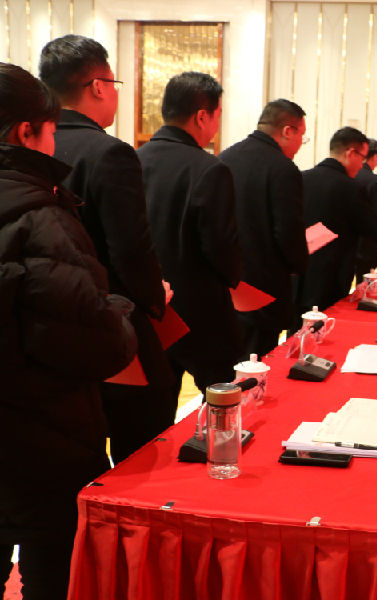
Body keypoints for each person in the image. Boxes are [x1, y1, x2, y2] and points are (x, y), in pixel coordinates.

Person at [0, 62, 137, 600]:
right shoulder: (41, 216)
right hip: (38, 435)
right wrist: (118, 309)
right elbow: (96, 343)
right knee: (54, 567)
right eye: (52, 131)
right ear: (26, 132)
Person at [39, 35, 173, 464]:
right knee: (144, 433)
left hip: (47, 321)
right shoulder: (109, 152)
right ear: (98, 86)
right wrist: (156, 300)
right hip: (110, 319)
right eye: (114, 84)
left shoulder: (33, 147)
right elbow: (131, 250)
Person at [137, 72, 242, 399]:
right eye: (218, 115)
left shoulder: (133, 160)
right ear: (202, 116)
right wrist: (235, 277)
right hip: (201, 312)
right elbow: (220, 246)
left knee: (154, 407)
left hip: (148, 305)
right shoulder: (209, 169)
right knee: (220, 400)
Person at [219, 99, 309, 356]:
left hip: (227, 284)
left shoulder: (225, 158)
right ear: (287, 131)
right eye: (302, 136)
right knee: (257, 360)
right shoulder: (283, 169)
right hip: (264, 288)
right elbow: (287, 232)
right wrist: (299, 264)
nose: (301, 143)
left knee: (229, 360)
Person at [299, 126, 377, 312]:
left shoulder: (301, 178)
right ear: (350, 153)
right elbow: (371, 227)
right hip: (330, 273)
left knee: (297, 321)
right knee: (324, 320)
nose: (362, 165)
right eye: (362, 158)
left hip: (298, 269)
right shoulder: (349, 187)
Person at [353, 137, 377, 284]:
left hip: (347, 242)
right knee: (364, 285)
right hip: (366, 243)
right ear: (375, 156)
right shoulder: (374, 181)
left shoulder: (349, 175)